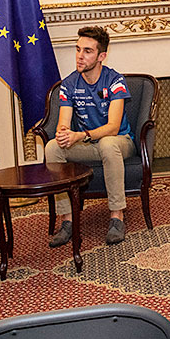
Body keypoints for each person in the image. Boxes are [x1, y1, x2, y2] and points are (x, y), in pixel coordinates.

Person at [44, 25, 135, 246]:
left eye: (87, 51)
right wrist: (63, 133)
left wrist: (80, 135)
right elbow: (64, 123)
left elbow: (113, 127)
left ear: (101, 56)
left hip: (120, 142)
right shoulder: (69, 84)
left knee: (107, 144)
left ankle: (117, 217)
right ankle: (67, 220)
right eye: (78, 49)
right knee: (53, 147)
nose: (80, 56)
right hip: (87, 144)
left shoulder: (114, 81)